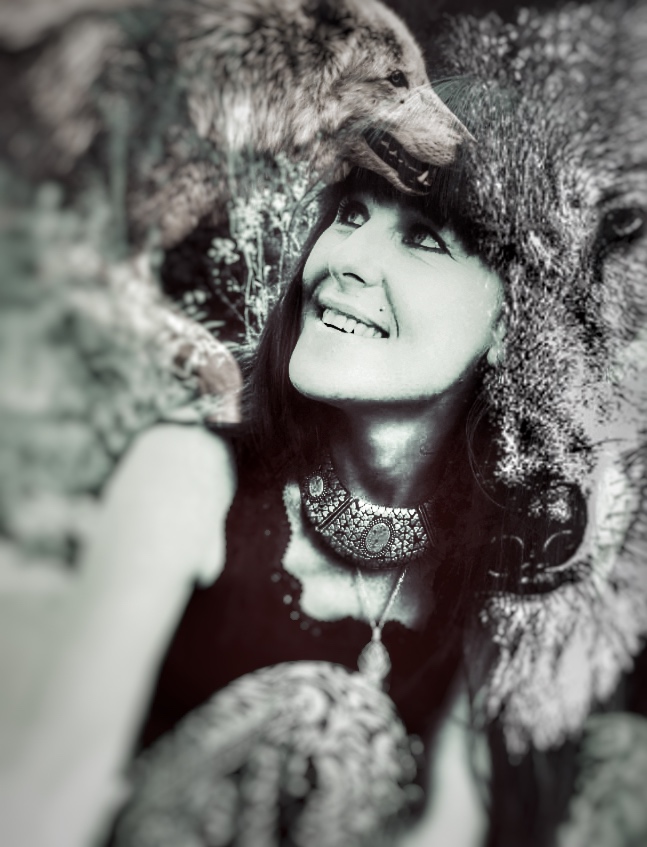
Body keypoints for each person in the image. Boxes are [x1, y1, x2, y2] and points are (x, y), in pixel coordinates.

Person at [97, 155, 594, 847]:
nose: (344, 259)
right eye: (351, 214)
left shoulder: (514, 574)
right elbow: (50, 792)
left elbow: (452, 827)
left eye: (424, 238)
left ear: (516, 324)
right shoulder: (183, 476)